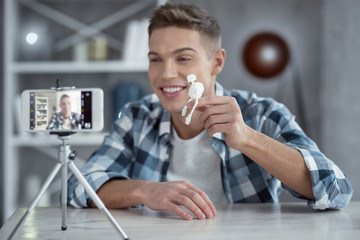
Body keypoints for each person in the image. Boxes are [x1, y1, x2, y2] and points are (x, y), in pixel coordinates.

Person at [67, 3, 352, 221]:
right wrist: (146, 191)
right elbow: (77, 186)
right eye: (156, 59)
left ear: (216, 62)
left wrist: (247, 139)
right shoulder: (138, 117)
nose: (166, 74)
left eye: (184, 58)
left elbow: (336, 189)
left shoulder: (262, 113)